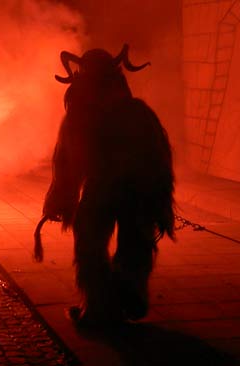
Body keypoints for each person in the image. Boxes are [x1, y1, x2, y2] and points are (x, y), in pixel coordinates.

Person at [41, 44, 175, 327]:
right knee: (135, 244)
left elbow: (70, 162)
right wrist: (158, 198)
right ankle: (128, 297)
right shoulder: (138, 113)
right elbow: (160, 160)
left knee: (91, 243)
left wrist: (61, 197)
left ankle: (103, 306)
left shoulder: (83, 113)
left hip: (104, 189)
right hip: (135, 191)